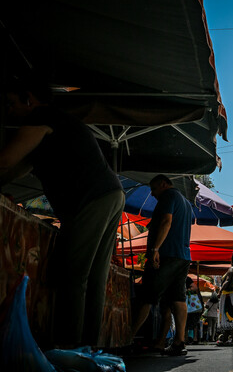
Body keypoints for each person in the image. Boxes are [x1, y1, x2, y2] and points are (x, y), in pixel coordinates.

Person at [0, 75, 125, 348]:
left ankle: (71, 350)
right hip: (110, 194)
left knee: (74, 278)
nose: (8, 110)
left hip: (92, 199)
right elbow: (15, 168)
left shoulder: (40, 118)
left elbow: (5, 160)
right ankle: (88, 350)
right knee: (92, 279)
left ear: (29, 99)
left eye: (11, 103)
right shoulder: (57, 123)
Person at [131, 174, 193, 356]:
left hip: (166, 254)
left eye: (153, 189)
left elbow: (167, 221)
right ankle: (178, 341)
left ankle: (127, 338)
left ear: (163, 184)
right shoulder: (186, 203)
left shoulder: (168, 196)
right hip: (182, 255)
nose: (152, 194)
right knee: (177, 298)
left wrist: (155, 248)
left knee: (147, 296)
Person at [185, 277, 203, 344]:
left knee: (193, 322)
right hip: (189, 305)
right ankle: (186, 339)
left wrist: (186, 290)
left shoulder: (187, 279)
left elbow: (195, 288)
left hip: (192, 305)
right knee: (186, 322)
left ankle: (194, 338)